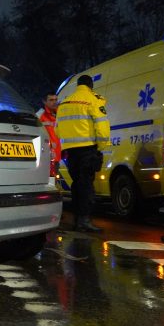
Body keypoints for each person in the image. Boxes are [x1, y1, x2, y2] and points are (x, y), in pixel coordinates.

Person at [55, 75, 110, 232]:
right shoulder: (93, 100)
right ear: (90, 86)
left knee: (77, 185)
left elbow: (57, 129)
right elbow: (102, 126)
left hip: (71, 151)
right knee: (86, 185)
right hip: (88, 149)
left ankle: (77, 220)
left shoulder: (65, 102)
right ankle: (84, 221)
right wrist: (101, 145)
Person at [36, 93, 61, 169]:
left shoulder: (61, 113)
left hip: (58, 156)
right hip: (46, 157)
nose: (54, 102)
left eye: (56, 99)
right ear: (44, 102)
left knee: (54, 180)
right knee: (49, 180)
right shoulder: (39, 115)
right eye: (51, 100)